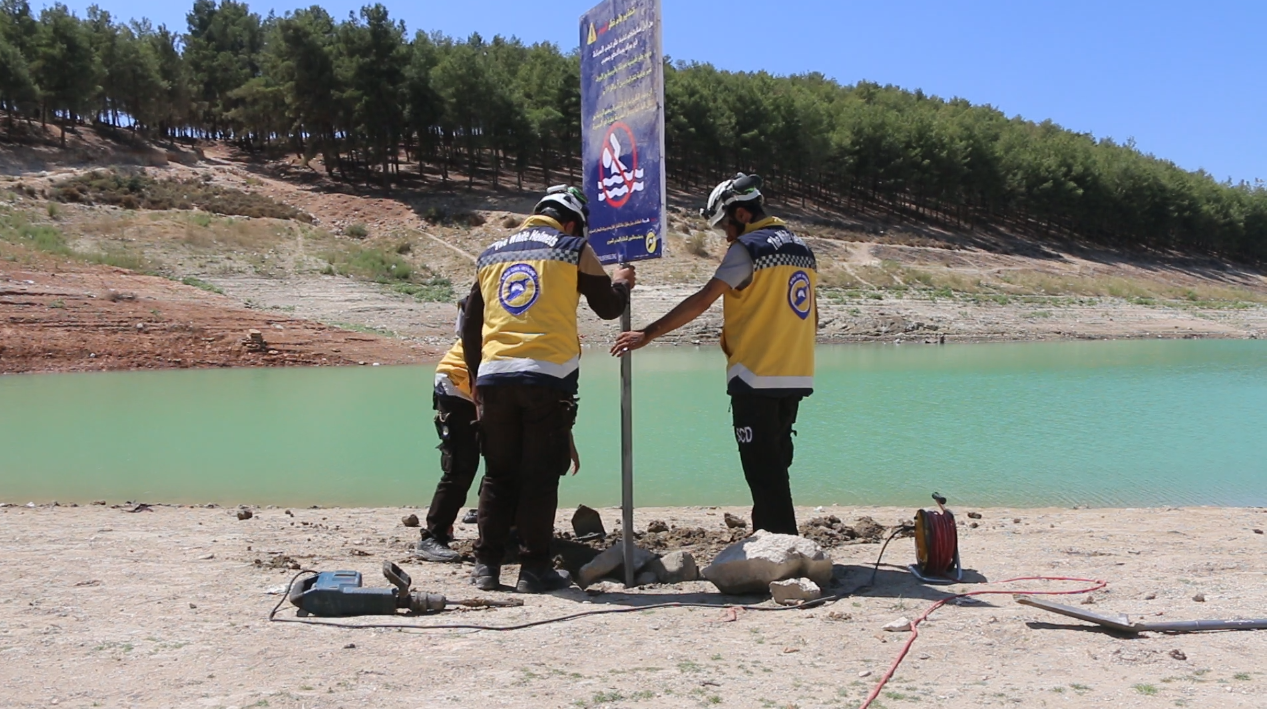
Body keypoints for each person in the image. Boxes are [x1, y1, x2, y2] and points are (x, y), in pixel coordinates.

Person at [611, 174, 815, 535]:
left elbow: (703, 300)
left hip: (756, 373)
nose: (725, 234)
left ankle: (782, 544)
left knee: (760, 467)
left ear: (740, 213)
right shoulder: (802, 249)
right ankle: (767, 535)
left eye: (725, 224)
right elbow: (811, 314)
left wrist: (648, 333)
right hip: (797, 372)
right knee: (777, 463)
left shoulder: (749, 248)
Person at [461, 185, 635, 592]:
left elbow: (470, 324)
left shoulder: (490, 254)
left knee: (498, 475)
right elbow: (608, 308)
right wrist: (623, 283)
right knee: (539, 477)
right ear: (572, 222)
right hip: (546, 378)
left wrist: (475, 382)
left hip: (493, 378)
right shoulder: (572, 247)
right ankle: (533, 568)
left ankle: (486, 567)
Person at [412, 319, 480, 562]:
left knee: (501, 455)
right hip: (458, 382)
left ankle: (490, 519)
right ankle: (433, 536)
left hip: (477, 381)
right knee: (462, 464)